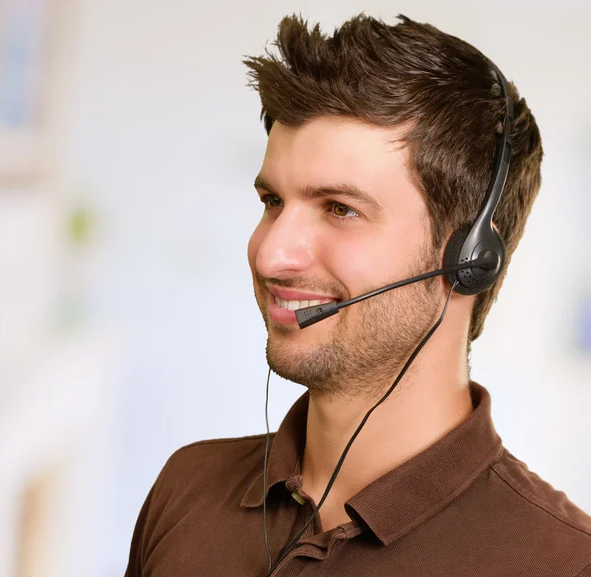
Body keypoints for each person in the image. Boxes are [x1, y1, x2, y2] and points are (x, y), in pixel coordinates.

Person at [124, 13, 591, 577]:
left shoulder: (562, 561)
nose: (270, 255)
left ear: (469, 259)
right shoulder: (187, 486)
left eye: (340, 209)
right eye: (273, 201)